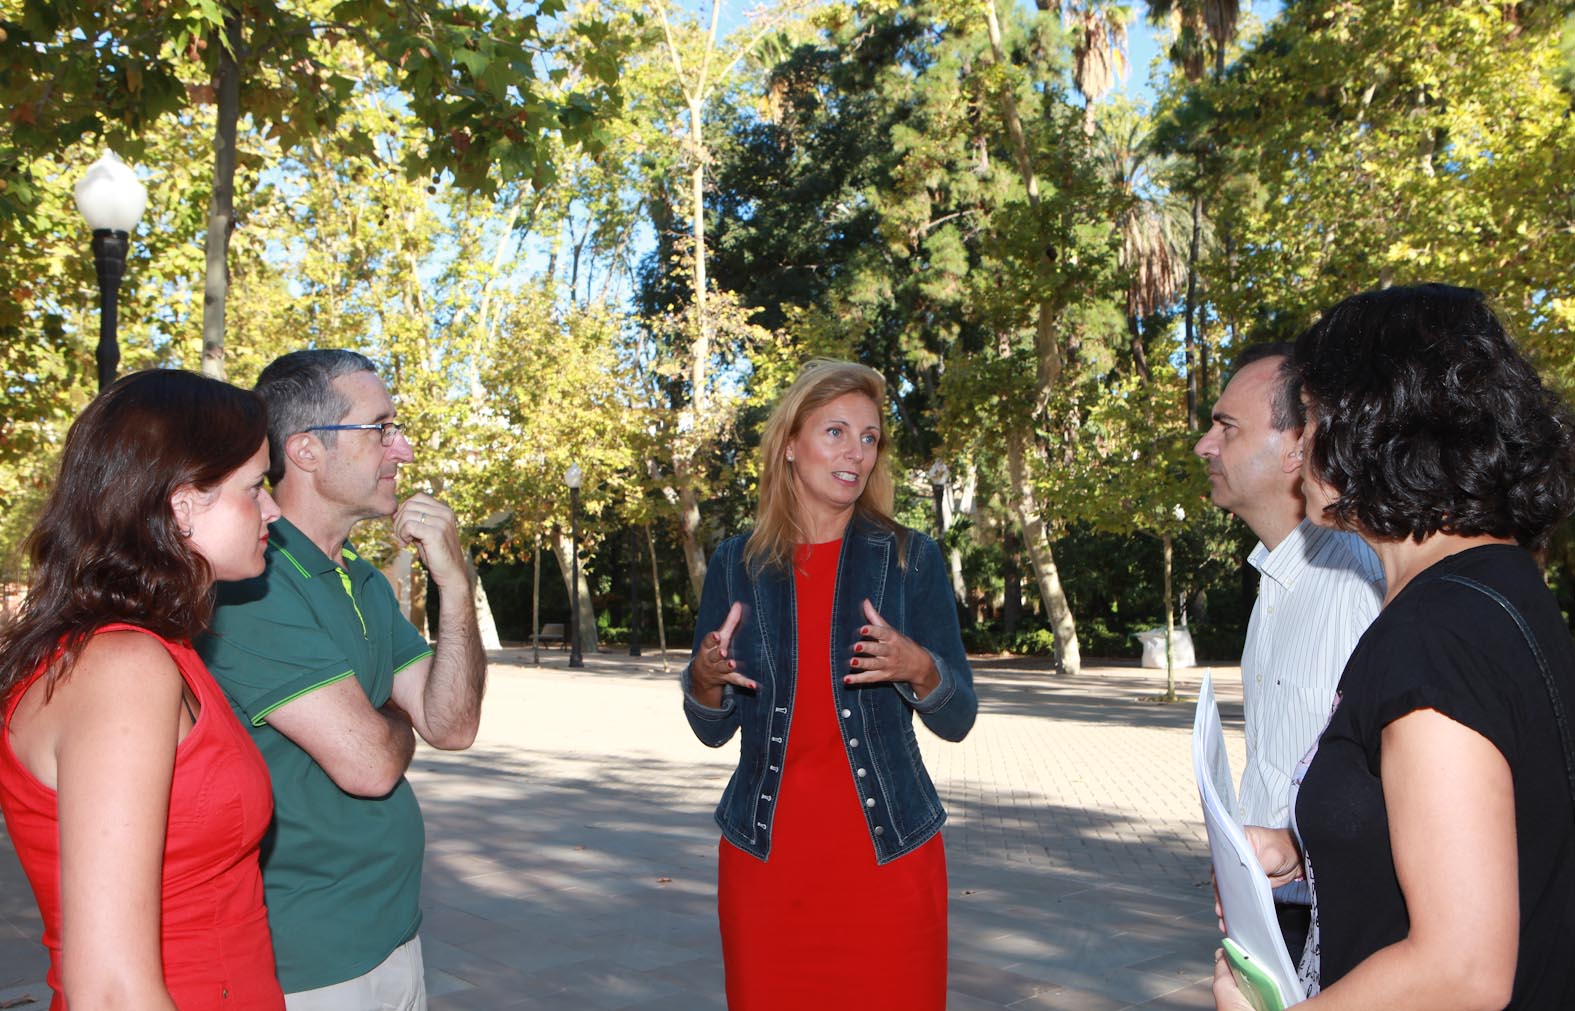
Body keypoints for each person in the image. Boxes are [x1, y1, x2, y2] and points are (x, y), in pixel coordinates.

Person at [1213, 284, 1575, 1009]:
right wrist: (1302, 853)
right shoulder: (1497, 591)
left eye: (1311, 418)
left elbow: (1459, 968)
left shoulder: (1434, 637)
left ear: (1370, 428)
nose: (1301, 446)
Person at [682, 359, 978, 1010]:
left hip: (888, 863)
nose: (855, 452)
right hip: (766, 869)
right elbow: (711, 725)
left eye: (869, 437)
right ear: (790, 444)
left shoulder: (908, 557)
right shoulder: (737, 563)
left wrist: (919, 668)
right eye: (836, 431)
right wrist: (704, 679)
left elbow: (958, 714)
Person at [198, 349, 487, 1008]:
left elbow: (451, 723)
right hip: (311, 960)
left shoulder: (359, 578)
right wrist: (391, 719)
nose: (403, 449)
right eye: (380, 428)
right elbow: (371, 764)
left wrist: (455, 583)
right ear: (305, 450)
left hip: (393, 933)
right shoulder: (255, 585)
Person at [0, 369, 285, 1010]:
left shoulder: (149, 649)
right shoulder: (122, 666)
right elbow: (107, 991)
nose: (272, 510)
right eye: (255, 487)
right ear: (183, 505)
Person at [1193, 343, 1383, 958]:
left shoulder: (1361, 583)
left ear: (1298, 446)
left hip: (1338, 923)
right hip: (1276, 906)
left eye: (1226, 427)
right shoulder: (1275, 578)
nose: (1205, 445)